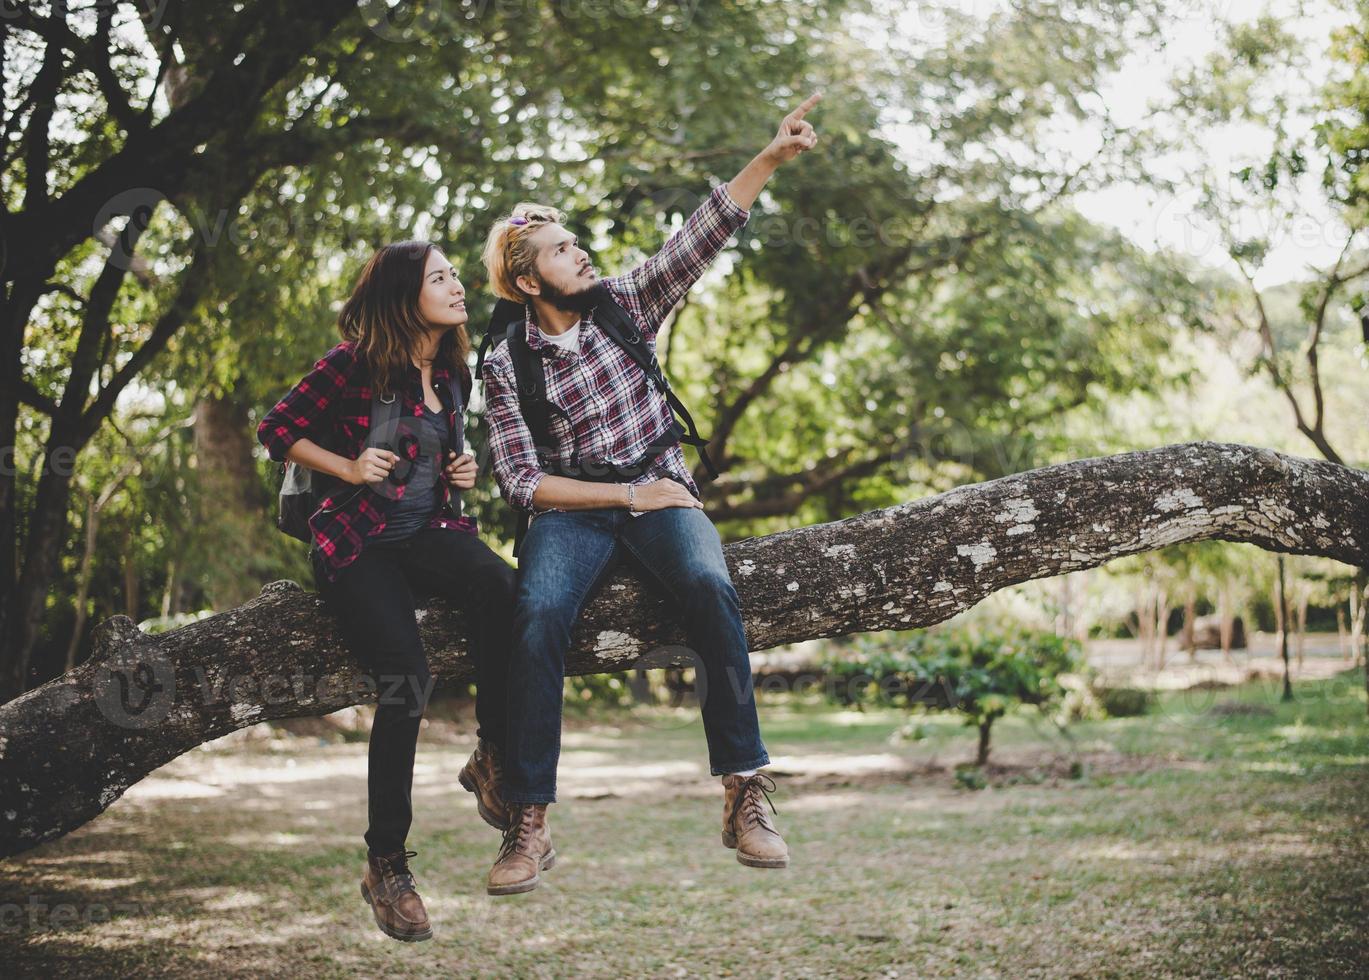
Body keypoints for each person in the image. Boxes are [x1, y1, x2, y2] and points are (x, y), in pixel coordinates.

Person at [477, 93, 821, 895]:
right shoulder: (504, 364)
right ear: (528, 280)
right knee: (535, 617)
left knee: (708, 583)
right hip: (578, 512)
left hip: (663, 485)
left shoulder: (625, 304)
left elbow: (704, 232)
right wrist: (626, 498)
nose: (582, 255)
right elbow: (523, 483)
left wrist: (768, 157)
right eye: (563, 251)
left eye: (577, 243)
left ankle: (744, 791)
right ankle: (528, 819)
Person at [256, 241, 515, 942]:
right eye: (440, 278)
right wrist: (344, 463)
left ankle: (490, 754)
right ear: (406, 295)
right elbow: (275, 430)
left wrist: (460, 468)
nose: (457, 286)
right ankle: (387, 864)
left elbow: (440, 459)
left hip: (429, 532)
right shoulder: (352, 363)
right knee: (406, 678)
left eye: (455, 276)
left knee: (502, 587)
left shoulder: (453, 373)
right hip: (356, 540)